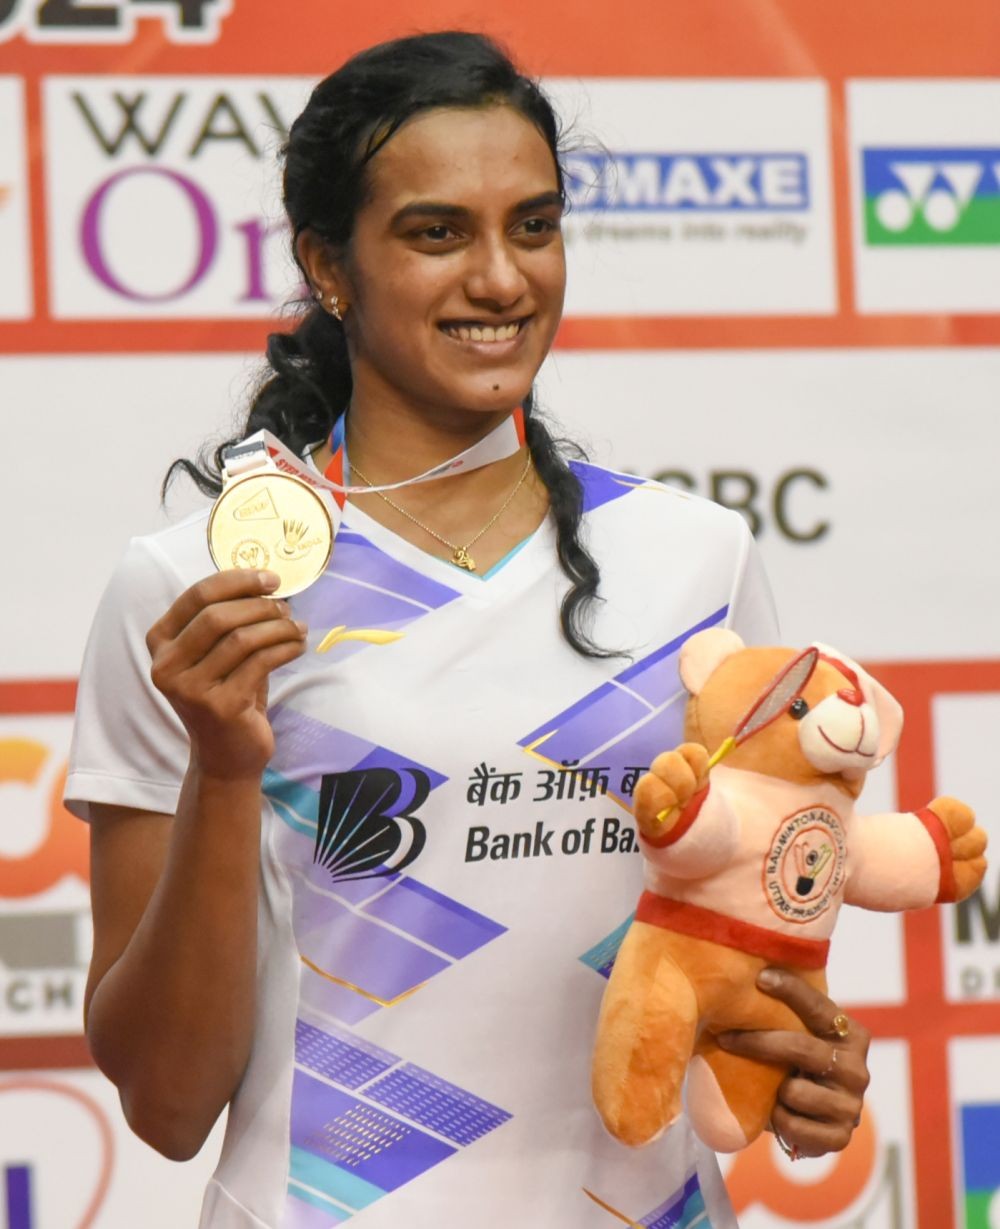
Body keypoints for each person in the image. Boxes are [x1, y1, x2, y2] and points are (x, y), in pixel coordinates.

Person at [65, 31, 870, 1229]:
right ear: (326, 268)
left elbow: (738, 957)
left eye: (533, 226)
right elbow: (171, 1106)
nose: (502, 279)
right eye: (437, 233)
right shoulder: (194, 591)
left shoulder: (695, 560)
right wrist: (226, 769)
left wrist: (805, 1063)